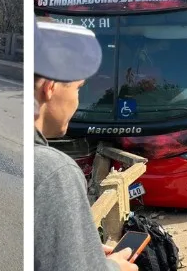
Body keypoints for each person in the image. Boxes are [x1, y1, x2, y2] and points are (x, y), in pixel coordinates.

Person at [34, 19, 137, 271]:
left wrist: (82, 250)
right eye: (78, 88)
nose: (77, 101)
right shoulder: (54, 170)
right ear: (50, 88)